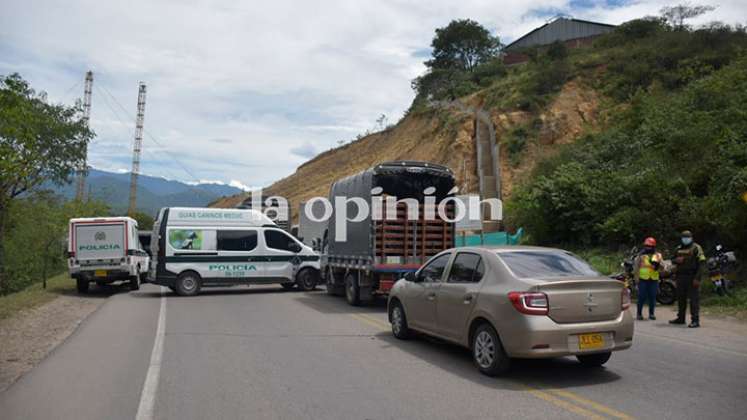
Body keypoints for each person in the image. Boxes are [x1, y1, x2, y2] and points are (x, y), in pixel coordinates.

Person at [669, 230, 706, 328]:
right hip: (681, 277)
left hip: (692, 276)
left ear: (691, 238)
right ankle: (680, 318)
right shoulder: (678, 248)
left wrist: (697, 278)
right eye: (684, 237)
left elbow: (701, 264)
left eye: (687, 237)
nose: (686, 239)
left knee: (694, 300)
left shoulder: (696, 248)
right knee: (681, 299)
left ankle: (695, 320)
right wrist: (676, 260)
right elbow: (672, 259)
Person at [634, 237, 662, 320]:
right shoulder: (640, 255)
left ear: (653, 247)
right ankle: (639, 314)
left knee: (652, 297)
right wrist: (636, 280)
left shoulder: (658, 255)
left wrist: (658, 265)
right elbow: (636, 267)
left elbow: (663, 267)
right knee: (641, 297)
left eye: (650, 246)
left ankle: (651, 314)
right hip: (643, 279)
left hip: (653, 279)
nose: (648, 248)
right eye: (646, 246)